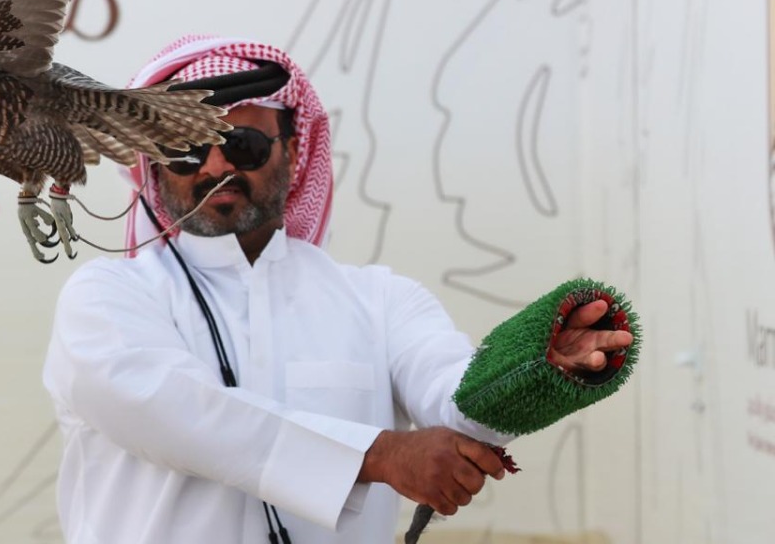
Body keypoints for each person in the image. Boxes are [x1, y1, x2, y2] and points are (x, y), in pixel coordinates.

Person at [42, 35, 636, 544]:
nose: (216, 167)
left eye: (244, 145)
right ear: (151, 165)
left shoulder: (377, 300)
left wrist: (536, 364)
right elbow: (175, 414)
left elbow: (459, 404)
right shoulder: (106, 299)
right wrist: (378, 455)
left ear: (293, 151)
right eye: (186, 150)